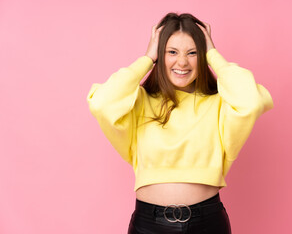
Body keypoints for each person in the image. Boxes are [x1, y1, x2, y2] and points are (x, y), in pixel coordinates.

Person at [86, 12, 274, 234]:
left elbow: (251, 101)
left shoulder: (220, 104)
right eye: (172, 52)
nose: (182, 62)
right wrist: (147, 59)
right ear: (160, 54)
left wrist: (213, 53)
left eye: (192, 53)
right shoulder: (139, 101)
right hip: (149, 225)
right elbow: (101, 103)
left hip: (207, 223)